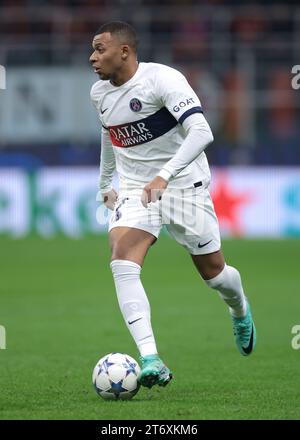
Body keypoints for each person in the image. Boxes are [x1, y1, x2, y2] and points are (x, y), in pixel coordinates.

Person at [90, 21, 256, 389]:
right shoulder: (99, 93)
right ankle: (150, 357)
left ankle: (239, 308)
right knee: (121, 260)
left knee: (215, 275)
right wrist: (105, 183)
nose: (93, 56)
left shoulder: (162, 79)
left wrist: (164, 176)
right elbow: (108, 135)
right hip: (136, 189)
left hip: (183, 185)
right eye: (92, 49)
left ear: (124, 51)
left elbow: (202, 131)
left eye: (100, 49)